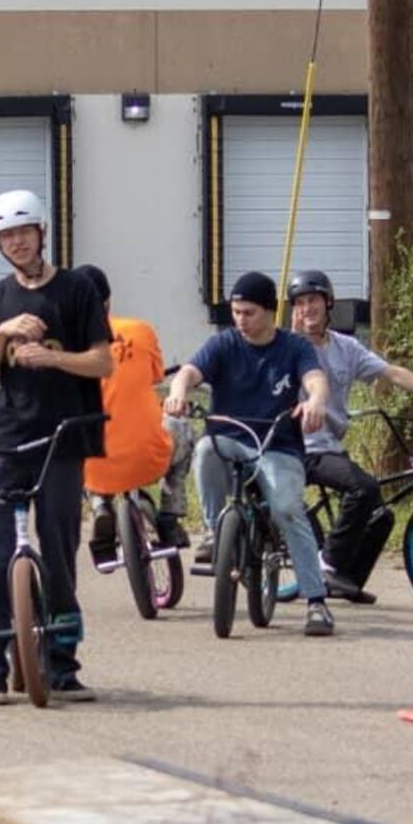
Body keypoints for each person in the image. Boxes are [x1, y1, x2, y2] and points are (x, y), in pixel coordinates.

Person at [0, 192, 111, 705]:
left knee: (60, 548)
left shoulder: (76, 290)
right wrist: (3, 332)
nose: (17, 242)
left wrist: (55, 360)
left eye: (24, 232)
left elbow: (102, 362)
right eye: (6, 237)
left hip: (66, 435)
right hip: (8, 436)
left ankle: (62, 664)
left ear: (42, 232)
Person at [164, 271, 336, 638]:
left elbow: (315, 380)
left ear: (271, 312)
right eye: (236, 312)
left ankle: (316, 601)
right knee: (206, 448)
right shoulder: (224, 344)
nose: (241, 320)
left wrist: (316, 402)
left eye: (249, 313)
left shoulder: (294, 347)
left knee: (288, 510)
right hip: (228, 438)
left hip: (276, 444)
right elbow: (189, 372)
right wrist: (179, 391)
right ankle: (213, 531)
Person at [288, 268, 413, 603]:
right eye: (300, 303)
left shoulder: (346, 347)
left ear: (328, 304)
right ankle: (327, 563)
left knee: (381, 514)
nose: (306, 309)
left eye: (313, 301)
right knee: (364, 487)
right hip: (301, 448)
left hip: (331, 447)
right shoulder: (290, 348)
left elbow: (391, 372)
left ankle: (346, 581)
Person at [75, 265, 192, 564]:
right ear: (108, 301)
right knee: (181, 425)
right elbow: (153, 377)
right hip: (147, 455)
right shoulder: (140, 331)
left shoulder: (63, 347)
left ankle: (100, 504)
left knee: (73, 438)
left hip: (91, 465)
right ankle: (170, 512)